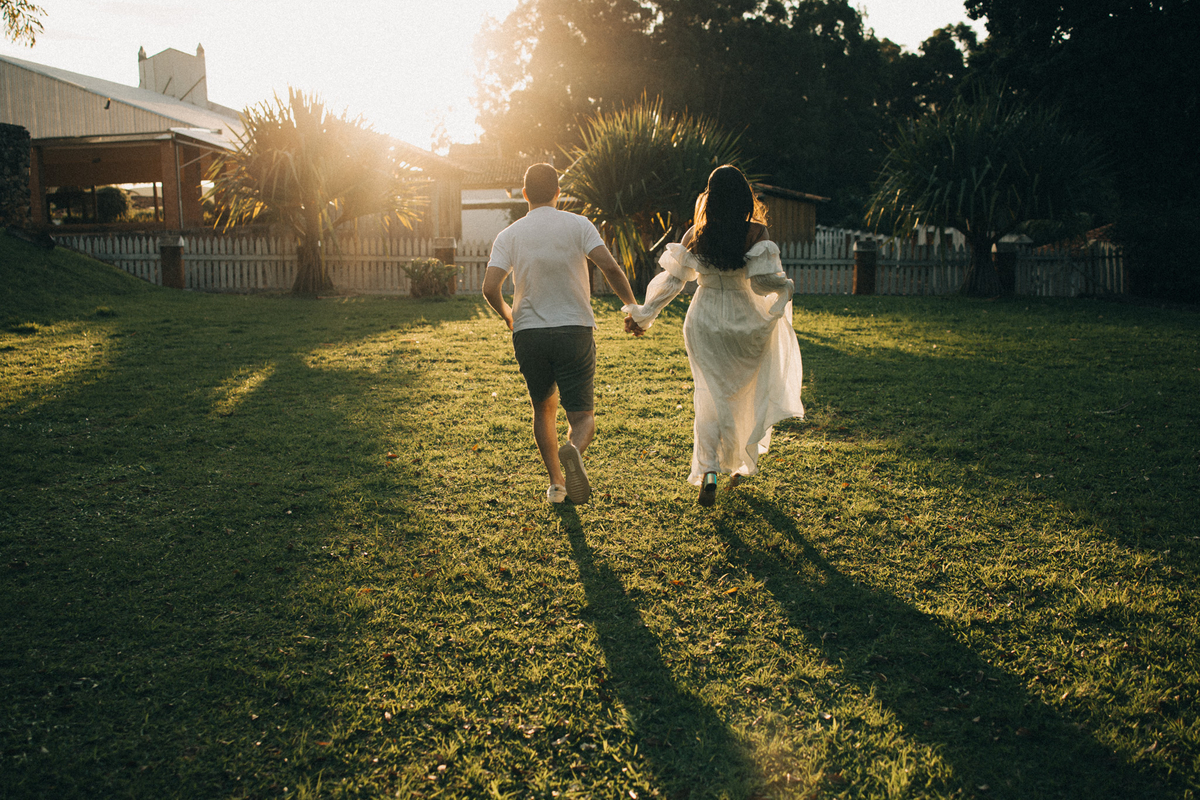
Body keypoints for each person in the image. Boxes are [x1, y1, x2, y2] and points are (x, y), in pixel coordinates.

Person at [622, 165, 804, 506]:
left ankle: (708, 470)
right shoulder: (755, 233)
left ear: (711, 196)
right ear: (744, 197)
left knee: (707, 397)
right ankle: (736, 465)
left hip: (703, 320)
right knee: (741, 396)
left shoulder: (696, 233)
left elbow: (673, 283)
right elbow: (762, 283)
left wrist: (645, 314)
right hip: (742, 321)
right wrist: (785, 286)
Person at [483, 163, 641, 505]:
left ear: (524, 194)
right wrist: (632, 308)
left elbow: (489, 286)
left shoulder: (509, 235)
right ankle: (574, 450)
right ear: (558, 193)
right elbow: (610, 267)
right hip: (574, 330)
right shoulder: (579, 225)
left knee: (543, 410)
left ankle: (557, 484)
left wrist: (509, 316)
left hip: (529, 334)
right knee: (582, 417)